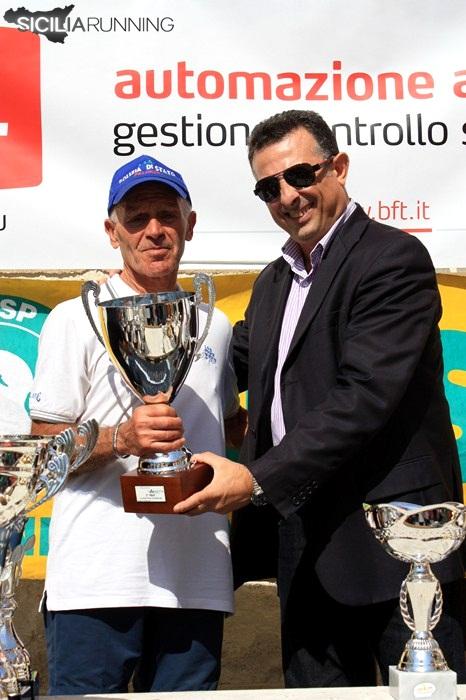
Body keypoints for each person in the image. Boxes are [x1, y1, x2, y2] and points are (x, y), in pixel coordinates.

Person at [174, 110, 466, 687]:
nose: (288, 196)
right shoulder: (271, 282)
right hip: (303, 544)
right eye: (268, 188)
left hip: (395, 546)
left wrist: (255, 478)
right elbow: (225, 366)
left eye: (301, 175)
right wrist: (144, 366)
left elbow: (365, 396)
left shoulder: (392, 258)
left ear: (339, 168)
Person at [29, 154, 240, 694]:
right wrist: (120, 438)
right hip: (97, 581)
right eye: (136, 217)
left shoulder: (213, 324)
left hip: (195, 580)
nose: (154, 230)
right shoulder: (75, 318)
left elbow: (230, 428)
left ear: (190, 224)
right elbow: (42, 451)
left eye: (167, 215)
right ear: (112, 231)